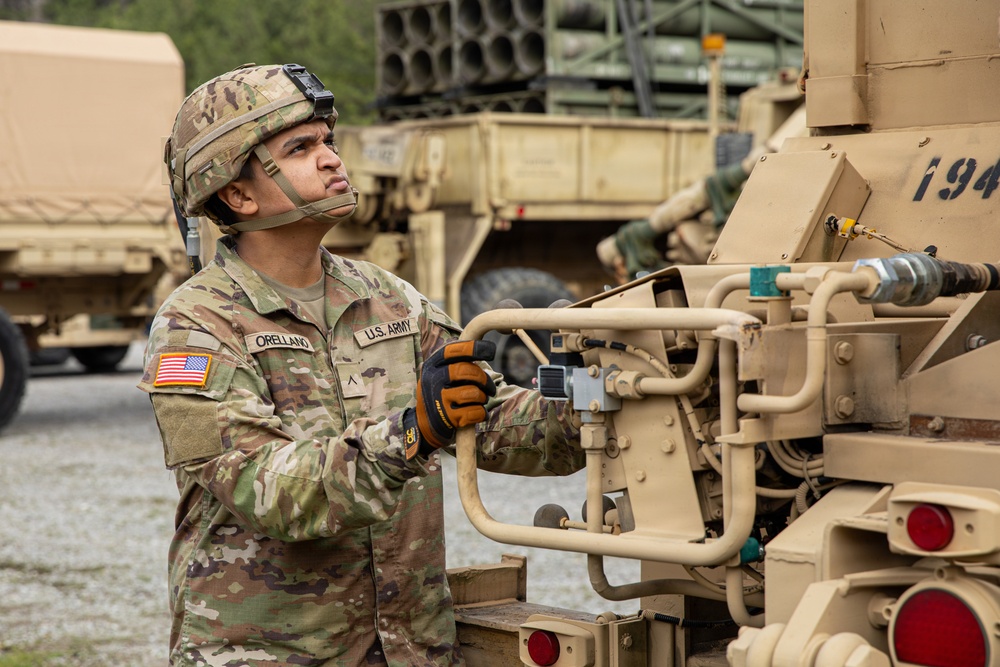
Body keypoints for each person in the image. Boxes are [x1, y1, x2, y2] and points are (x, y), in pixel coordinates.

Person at [139, 63, 582, 667]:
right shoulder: (195, 325)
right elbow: (266, 486)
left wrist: (592, 396)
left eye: (327, 141)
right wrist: (412, 432)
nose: (331, 159)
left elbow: (490, 418)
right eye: (300, 148)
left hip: (409, 650)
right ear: (238, 193)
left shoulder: (388, 297)